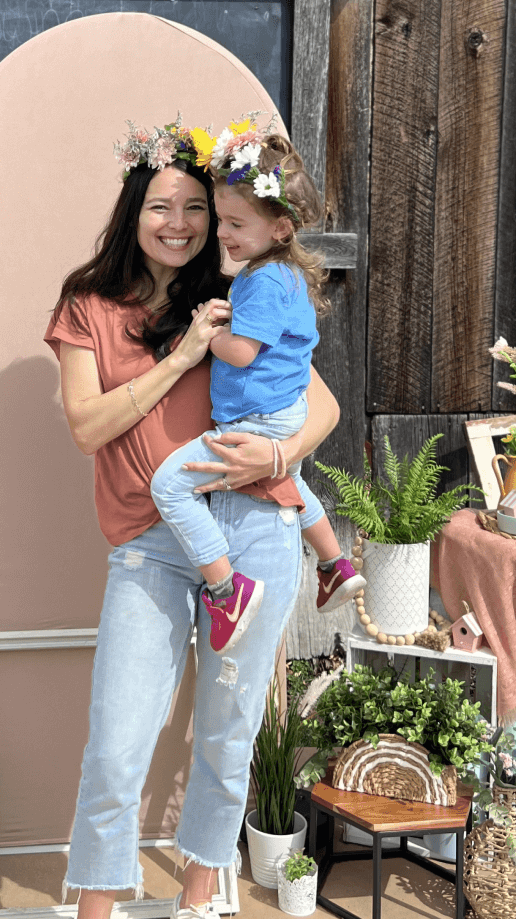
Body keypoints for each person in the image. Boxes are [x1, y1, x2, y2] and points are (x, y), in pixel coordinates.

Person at [0, 116, 339, 919]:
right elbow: (86, 427)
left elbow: (323, 406)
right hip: (152, 542)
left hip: (255, 530)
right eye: (163, 206)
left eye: (198, 208)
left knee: (227, 738)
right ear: (133, 210)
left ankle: (199, 910)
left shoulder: (237, 288)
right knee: (118, 739)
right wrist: (183, 355)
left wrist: (275, 462)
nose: (182, 224)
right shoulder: (91, 307)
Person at [149, 118, 364, 657]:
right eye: (221, 219)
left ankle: (225, 591)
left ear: (281, 229)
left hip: (258, 420)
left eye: (235, 223)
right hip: (281, 414)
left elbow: (242, 352)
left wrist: (207, 328)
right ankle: (336, 565)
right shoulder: (276, 272)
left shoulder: (265, 280)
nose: (222, 233)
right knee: (290, 483)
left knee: (170, 487)